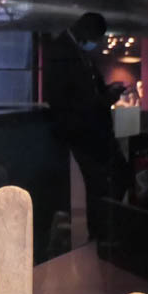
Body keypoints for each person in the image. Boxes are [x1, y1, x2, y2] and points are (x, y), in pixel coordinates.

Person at [43, 12, 125, 244]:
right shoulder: (62, 52)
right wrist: (105, 98)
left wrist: (106, 92)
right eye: (96, 37)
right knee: (100, 182)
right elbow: (68, 98)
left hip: (91, 130)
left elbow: (85, 91)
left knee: (104, 181)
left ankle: (102, 233)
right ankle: (101, 233)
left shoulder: (76, 51)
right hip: (82, 132)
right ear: (86, 30)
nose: (96, 43)